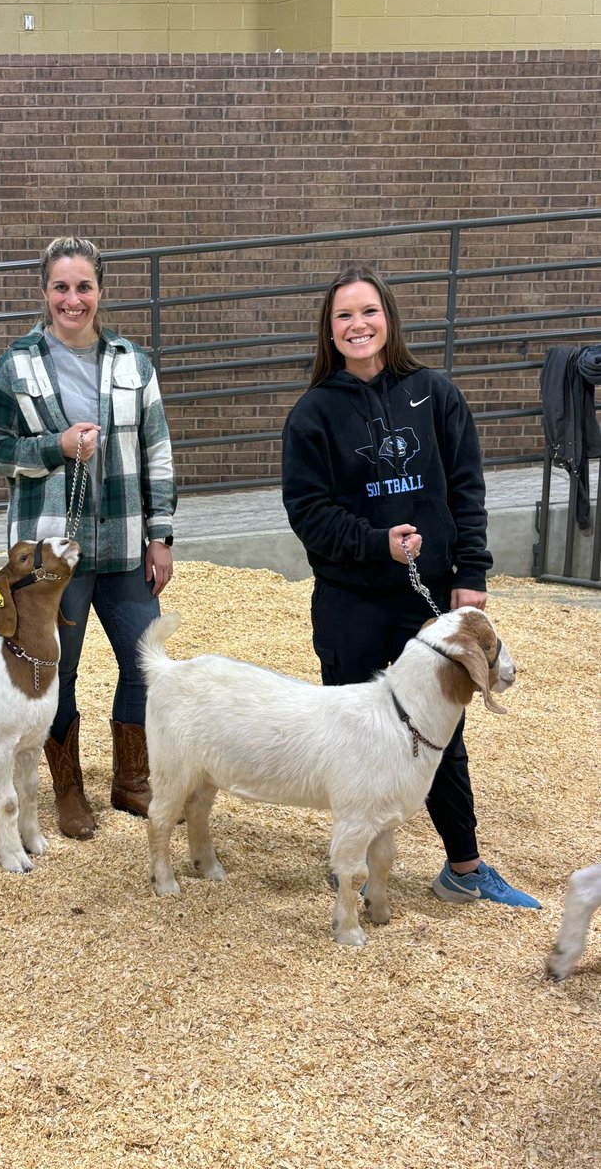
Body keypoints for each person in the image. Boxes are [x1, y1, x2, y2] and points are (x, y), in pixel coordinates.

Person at [281, 264, 540, 908]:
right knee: (350, 737)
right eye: (344, 316)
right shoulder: (312, 414)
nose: (357, 324)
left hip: (426, 603)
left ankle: (464, 865)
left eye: (368, 311)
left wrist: (471, 574)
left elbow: (466, 490)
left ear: (388, 319)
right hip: (351, 600)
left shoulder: (436, 392)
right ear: (330, 330)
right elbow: (308, 514)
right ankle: (352, 860)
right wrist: (377, 543)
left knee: (438, 734)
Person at [0, 236, 176, 840]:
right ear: (45, 293)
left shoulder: (134, 363)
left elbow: (158, 452)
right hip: (48, 556)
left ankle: (131, 780)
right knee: (54, 672)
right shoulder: (15, 364)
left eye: (83, 286)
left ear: (100, 292)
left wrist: (161, 534)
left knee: (146, 664)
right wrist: (51, 449)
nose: (72, 298)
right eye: (61, 287)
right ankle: (66, 789)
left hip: (124, 546)